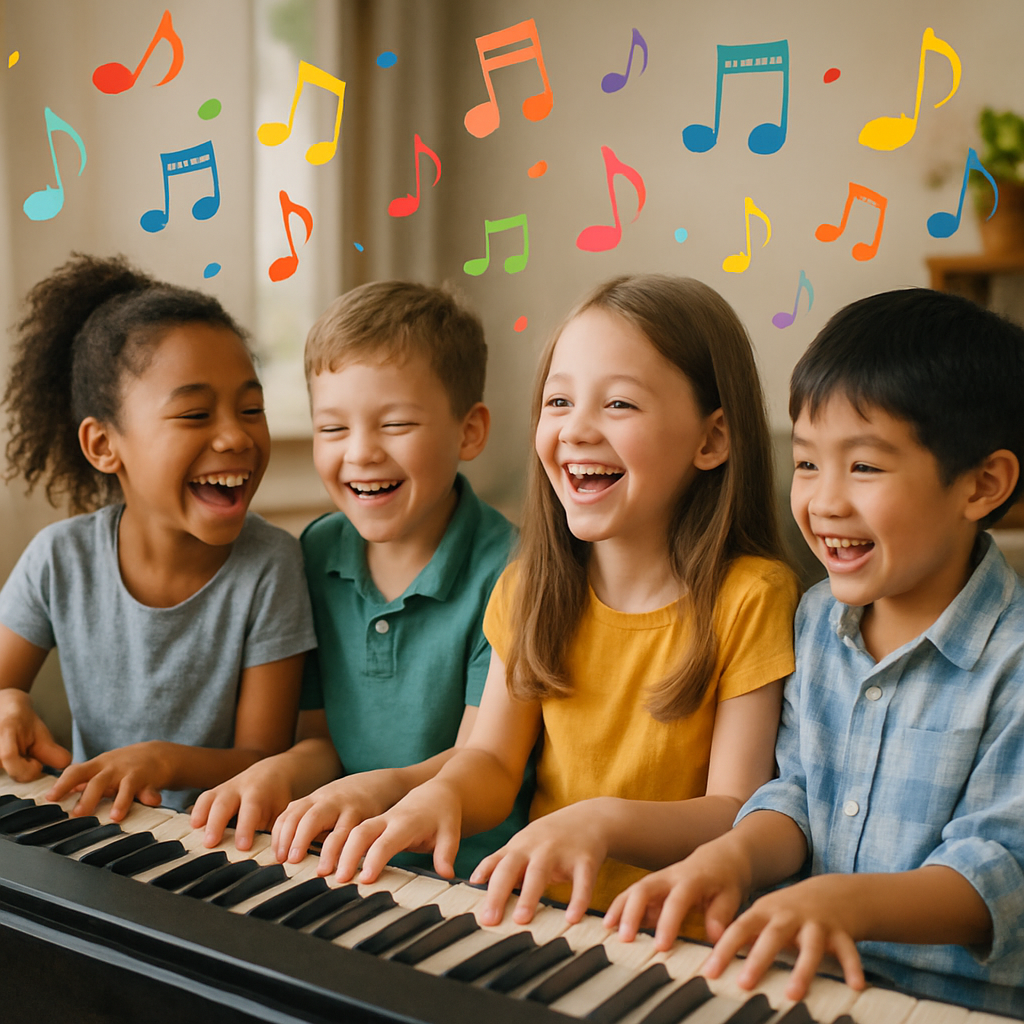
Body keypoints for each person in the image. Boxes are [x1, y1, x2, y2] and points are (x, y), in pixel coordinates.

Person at [299, 273, 799, 932]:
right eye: (558, 401)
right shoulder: (528, 587)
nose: (577, 429)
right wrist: (421, 791)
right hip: (542, 922)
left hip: (680, 933)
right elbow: (493, 763)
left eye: (618, 405)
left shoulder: (751, 598)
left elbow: (734, 806)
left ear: (711, 440)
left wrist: (601, 821)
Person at [605, 288, 1024, 999]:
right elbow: (795, 794)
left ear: (982, 484)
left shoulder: (1011, 662)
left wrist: (839, 902)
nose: (824, 501)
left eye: (863, 466)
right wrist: (732, 857)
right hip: (804, 981)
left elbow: (999, 868)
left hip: (948, 1003)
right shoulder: (814, 621)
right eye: (806, 463)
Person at [191, 280, 529, 879]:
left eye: (395, 424)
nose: (361, 453)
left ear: (469, 431)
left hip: (469, 876)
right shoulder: (317, 551)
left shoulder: (511, 570)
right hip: (346, 863)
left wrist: (376, 792)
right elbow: (322, 741)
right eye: (333, 428)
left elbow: (480, 759)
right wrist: (280, 771)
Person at [0, 254, 316, 817]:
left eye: (252, 408)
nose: (235, 437)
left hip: (217, 845)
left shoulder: (271, 563)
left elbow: (264, 756)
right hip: (95, 832)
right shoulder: (59, 559)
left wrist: (163, 761)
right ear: (103, 445)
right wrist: (8, 704)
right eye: (195, 414)